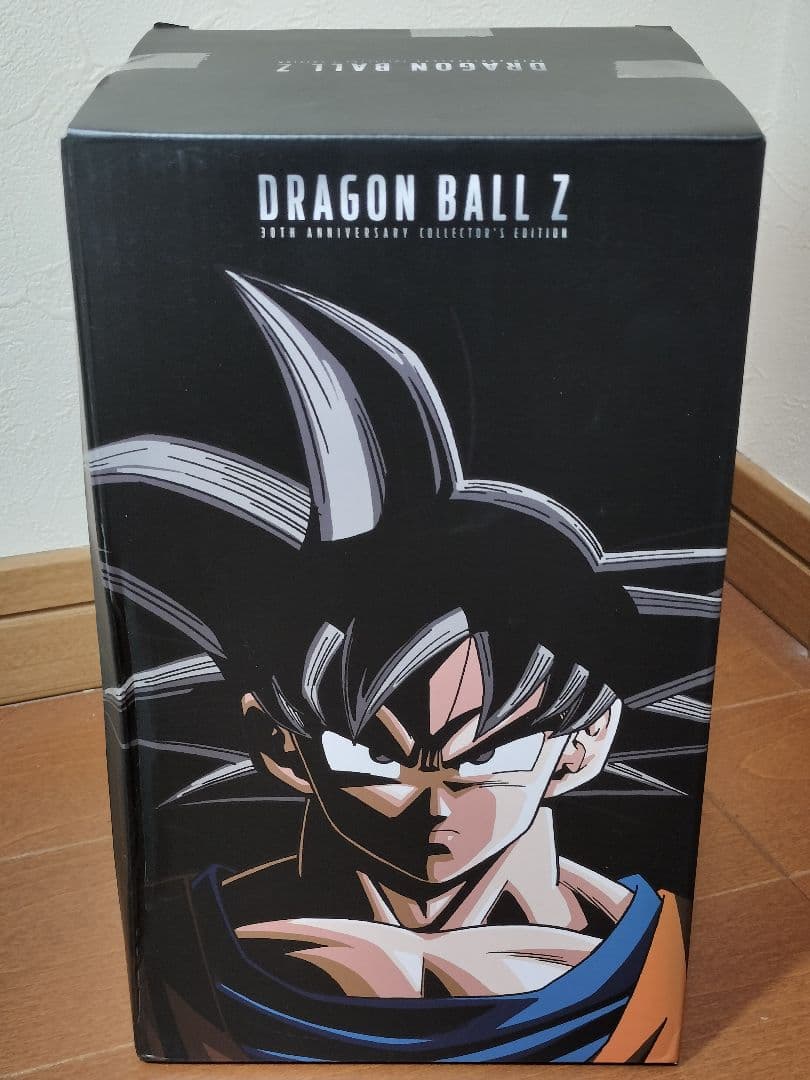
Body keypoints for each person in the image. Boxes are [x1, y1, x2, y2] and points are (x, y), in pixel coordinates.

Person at [91, 274, 721, 1063]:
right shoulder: (189, 946)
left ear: (583, 745)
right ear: (283, 746)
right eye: (376, 758)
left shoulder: (649, 948)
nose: (434, 802)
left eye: (485, 756)